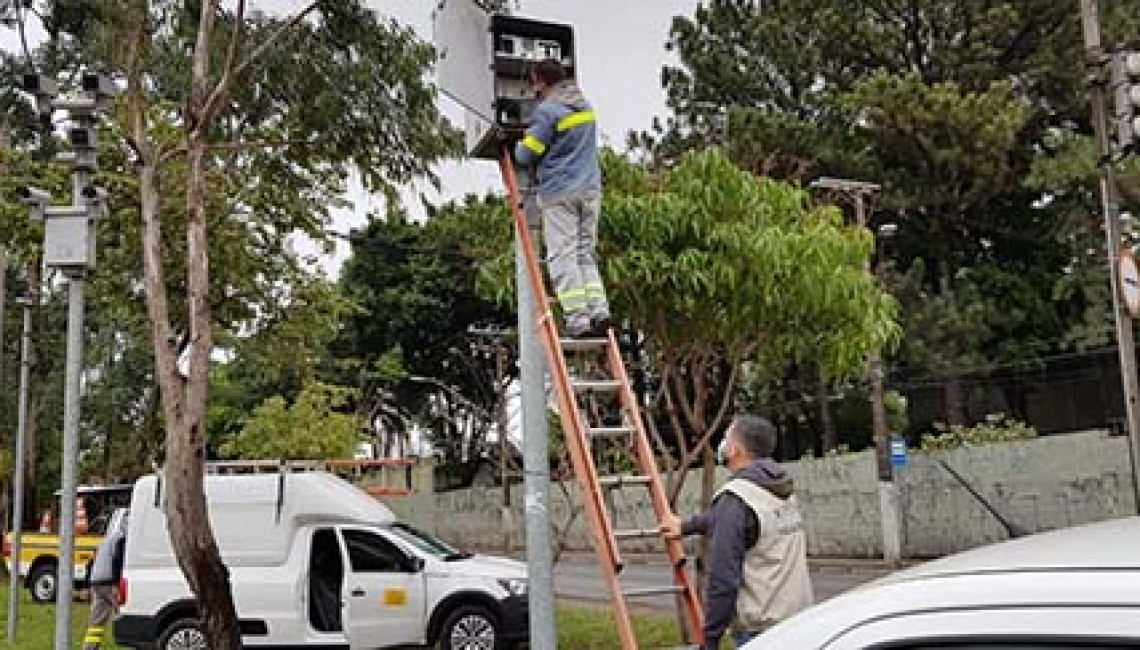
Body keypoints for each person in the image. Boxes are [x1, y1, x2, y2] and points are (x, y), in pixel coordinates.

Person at [662, 414, 813, 648]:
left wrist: (710, 639)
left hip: (761, 630)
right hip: (798, 620)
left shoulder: (736, 499)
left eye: (726, 438)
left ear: (735, 449)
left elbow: (723, 580)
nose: (723, 444)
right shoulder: (779, 487)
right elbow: (736, 522)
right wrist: (685, 526)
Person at [514, 58, 610, 338]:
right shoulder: (586, 107)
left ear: (540, 81)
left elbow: (525, 154)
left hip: (560, 191)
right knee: (584, 253)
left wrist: (522, 139)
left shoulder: (548, 111)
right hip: (590, 190)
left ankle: (578, 321)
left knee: (562, 256)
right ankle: (599, 312)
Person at [82, 508, 127, 650]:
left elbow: (91, 562)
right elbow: (117, 562)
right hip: (108, 582)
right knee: (125, 611)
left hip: (96, 582)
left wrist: (87, 583)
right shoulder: (120, 539)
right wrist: (115, 583)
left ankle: (89, 647)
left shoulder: (105, 540)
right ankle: (131, 640)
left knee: (97, 619)